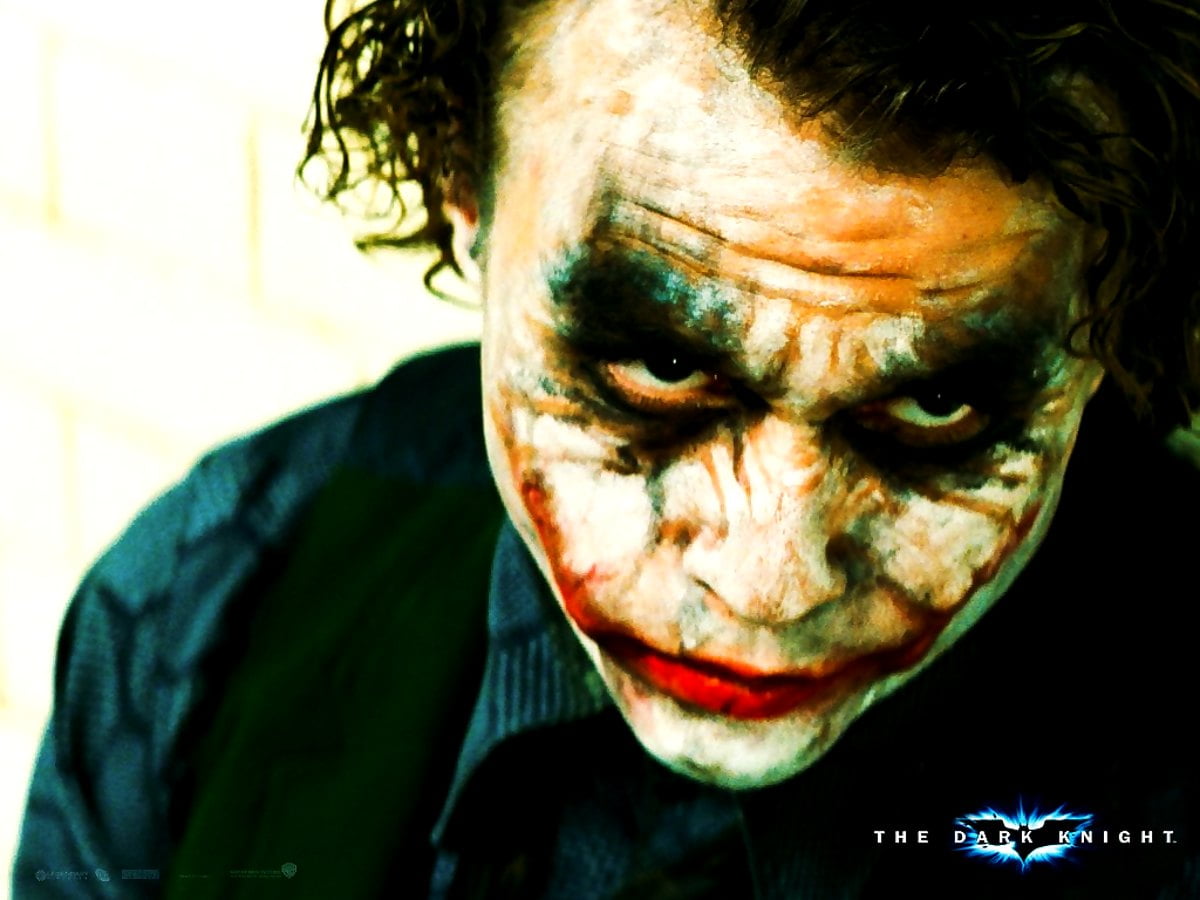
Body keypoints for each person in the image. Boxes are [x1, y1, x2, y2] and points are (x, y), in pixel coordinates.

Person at [14, 0, 1200, 897]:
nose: (768, 581)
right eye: (665, 367)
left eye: (936, 408)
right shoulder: (204, 609)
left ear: (1114, 327)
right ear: (465, 187)